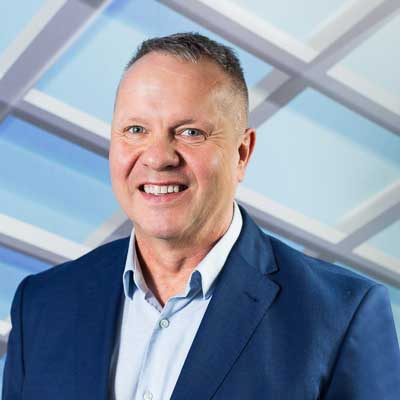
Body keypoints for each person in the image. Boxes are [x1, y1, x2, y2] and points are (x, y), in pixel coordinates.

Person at [2, 32, 400, 400]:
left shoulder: (343, 317)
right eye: (136, 129)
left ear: (242, 154)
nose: (158, 157)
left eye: (190, 132)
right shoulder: (41, 304)